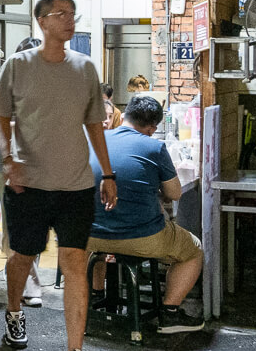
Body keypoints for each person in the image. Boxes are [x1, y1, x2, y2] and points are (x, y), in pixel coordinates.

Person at [0, 0, 117, 351]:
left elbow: (95, 124)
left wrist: (107, 173)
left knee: (75, 262)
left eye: (72, 14)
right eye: (60, 14)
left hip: (76, 185)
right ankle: (13, 311)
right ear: (41, 21)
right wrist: (9, 159)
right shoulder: (18, 65)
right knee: (23, 257)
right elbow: (0, 117)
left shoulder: (85, 68)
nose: (69, 20)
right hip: (30, 185)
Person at [86, 96, 204, 334]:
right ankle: (169, 315)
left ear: (125, 115)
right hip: (140, 237)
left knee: (99, 246)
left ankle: (96, 301)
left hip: (89, 234)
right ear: (152, 128)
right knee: (193, 251)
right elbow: (174, 193)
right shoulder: (155, 147)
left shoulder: (93, 140)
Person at [0, 36, 44, 308]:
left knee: (37, 227)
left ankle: (27, 282)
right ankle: (26, 287)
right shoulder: (7, 83)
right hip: (10, 166)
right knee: (15, 230)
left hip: (44, 165)